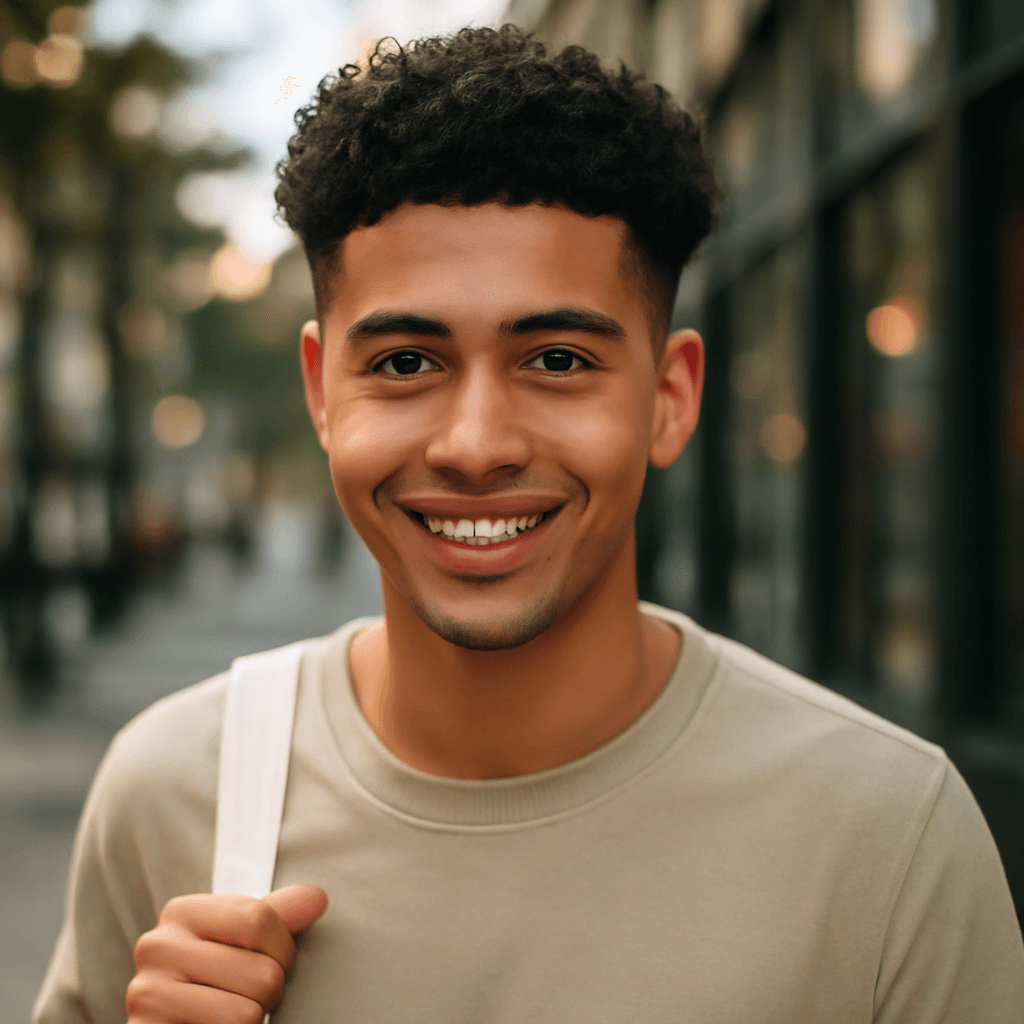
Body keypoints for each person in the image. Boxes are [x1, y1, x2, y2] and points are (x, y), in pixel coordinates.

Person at [35, 25, 1024, 1024]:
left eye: (557, 360)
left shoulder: (887, 841)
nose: (475, 446)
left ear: (670, 398)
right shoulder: (173, 794)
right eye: (405, 363)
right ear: (321, 392)